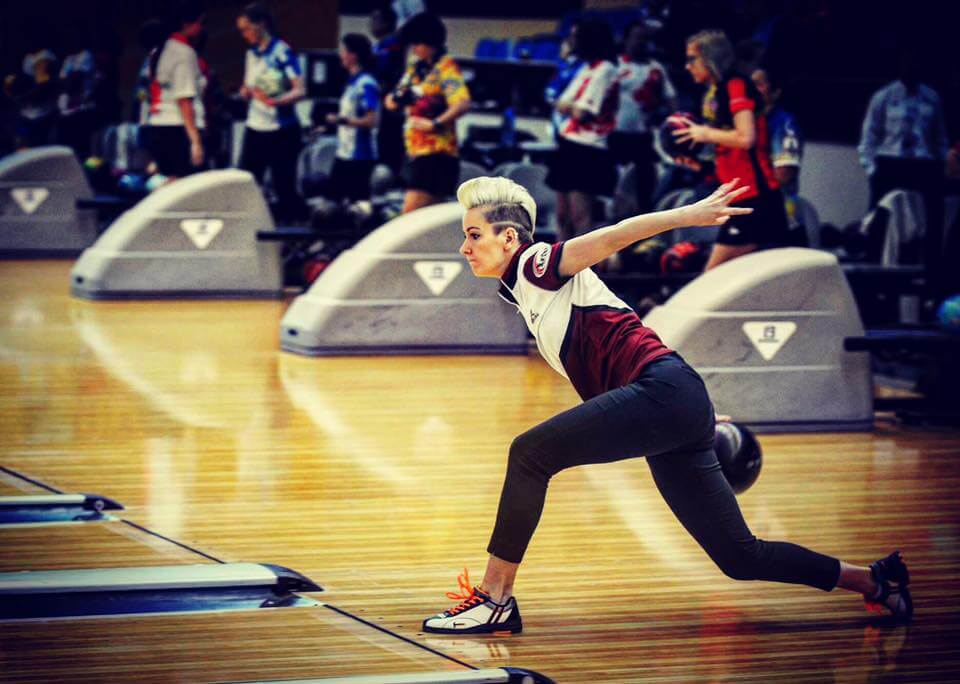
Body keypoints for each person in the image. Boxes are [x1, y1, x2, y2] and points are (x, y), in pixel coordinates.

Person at [421, 175, 914, 635]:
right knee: (739, 557)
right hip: (672, 401)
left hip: (664, 394)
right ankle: (875, 581)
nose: (465, 247)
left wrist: (686, 216)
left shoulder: (537, 263)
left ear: (509, 238)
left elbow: (611, 237)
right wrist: (691, 411)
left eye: (473, 235)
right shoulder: (526, 292)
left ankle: (495, 598)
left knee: (530, 454)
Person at [672, 30, 787, 270]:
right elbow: (732, 152)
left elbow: (746, 138)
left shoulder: (736, 85)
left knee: (712, 278)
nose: (687, 66)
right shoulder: (715, 92)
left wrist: (704, 133)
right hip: (741, 197)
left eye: (692, 59)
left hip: (755, 199)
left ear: (710, 58)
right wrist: (701, 166)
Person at [857, 46, 948, 293]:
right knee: (879, 215)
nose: (911, 68)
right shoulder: (884, 97)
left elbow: (939, 137)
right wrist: (872, 169)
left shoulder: (931, 98)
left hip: (922, 162)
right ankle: (873, 272)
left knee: (934, 213)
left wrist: (941, 164)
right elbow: (869, 136)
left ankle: (932, 273)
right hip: (891, 161)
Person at [385, 13, 471, 214]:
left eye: (417, 43)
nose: (414, 49)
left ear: (430, 42)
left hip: (436, 154)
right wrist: (400, 99)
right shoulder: (415, 69)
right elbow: (390, 101)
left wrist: (435, 123)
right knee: (423, 218)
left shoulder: (445, 68)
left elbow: (462, 103)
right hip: (414, 152)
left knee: (410, 217)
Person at [546, 19, 619, 241]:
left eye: (576, 37)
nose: (572, 41)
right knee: (562, 216)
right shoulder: (586, 68)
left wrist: (568, 106)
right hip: (568, 143)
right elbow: (560, 102)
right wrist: (569, 106)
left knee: (581, 216)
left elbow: (581, 112)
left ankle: (582, 261)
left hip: (588, 148)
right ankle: (558, 261)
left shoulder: (606, 69)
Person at [237, 3, 306, 222]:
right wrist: (246, 92)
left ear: (261, 25)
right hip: (255, 125)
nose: (244, 35)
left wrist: (276, 101)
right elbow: (251, 86)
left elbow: (300, 90)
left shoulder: (281, 52)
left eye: (247, 29)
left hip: (280, 129)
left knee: (283, 184)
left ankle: (293, 225)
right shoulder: (251, 54)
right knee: (247, 178)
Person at [610, 19, 678, 215]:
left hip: (641, 136)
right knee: (611, 184)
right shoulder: (614, 65)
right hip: (614, 134)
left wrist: (674, 123)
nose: (641, 43)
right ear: (626, 40)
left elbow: (671, 99)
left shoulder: (655, 69)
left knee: (646, 183)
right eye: (637, 38)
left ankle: (643, 221)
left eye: (645, 39)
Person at [141, 2, 207, 178]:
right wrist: (195, 141)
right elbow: (184, 100)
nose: (201, 28)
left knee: (172, 183)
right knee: (187, 186)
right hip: (178, 129)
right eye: (200, 22)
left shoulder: (159, 51)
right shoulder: (183, 52)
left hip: (159, 126)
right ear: (187, 23)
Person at [322, 34, 380, 202]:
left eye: (343, 51)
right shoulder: (351, 83)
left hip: (360, 156)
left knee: (356, 203)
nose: (340, 55)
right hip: (344, 152)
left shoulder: (366, 84)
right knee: (333, 201)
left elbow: (372, 120)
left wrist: (340, 120)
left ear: (353, 55)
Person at [752, 63, 805, 244]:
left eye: (759, 84)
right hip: (754, 213)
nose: (752, 89)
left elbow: (784, 173)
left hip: (782, 216)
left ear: (775, 92)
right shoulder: (749, 122)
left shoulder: (784, 123)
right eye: (750, 84)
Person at [370, 3, 406, 175]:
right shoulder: (378, 46)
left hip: (390, 108)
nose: (371, 24)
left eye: (375, 19)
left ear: (387, 23)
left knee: (388, 150)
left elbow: (381, 73)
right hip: (378, 105)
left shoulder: (393, 45)